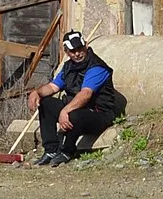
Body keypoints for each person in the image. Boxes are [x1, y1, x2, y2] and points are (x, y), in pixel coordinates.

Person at [27, 31, 125, 166]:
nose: (77, 54)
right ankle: (51, 150)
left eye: (79, 49)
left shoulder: (97, 67)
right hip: (77, 110)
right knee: (46, 103)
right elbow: (52, 87)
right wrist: (36, 93)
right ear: (67, 52)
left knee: (74, 114)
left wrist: (64, 111)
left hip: (99, 114)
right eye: (73, 51)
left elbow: (85, 94)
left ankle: (67, 151)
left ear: (85, 45)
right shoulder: (68, 67)